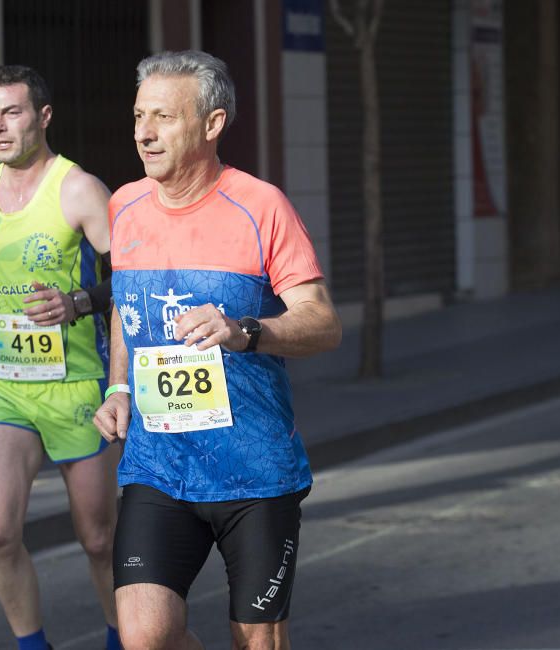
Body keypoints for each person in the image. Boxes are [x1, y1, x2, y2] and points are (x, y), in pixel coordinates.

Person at [94, 50, 342, 650]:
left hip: (254, 473)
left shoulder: (261, 207)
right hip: (160, 466)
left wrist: (246, 330)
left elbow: (323, 323)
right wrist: (120, 386)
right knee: (145, 637)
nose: (143, 134)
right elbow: (127, 308)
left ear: (211, 124)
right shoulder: (124, 206)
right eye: (137, 116)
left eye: (163, 118)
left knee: (256, 640)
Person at [0, 65, 122, 650]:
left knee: (98, 538)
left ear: (43, 117)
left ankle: (124, 636)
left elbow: (130, 278)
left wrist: (77, 303)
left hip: (79, 386)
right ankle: (31, 645)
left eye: (12, 113)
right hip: (7, 385)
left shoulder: (79, 189)